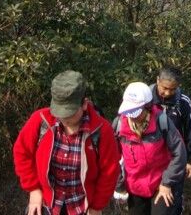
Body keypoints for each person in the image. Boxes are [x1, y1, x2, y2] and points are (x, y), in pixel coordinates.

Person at [13, 70, 121, 215]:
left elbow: (109, 172)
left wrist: (97, 206)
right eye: (60, 112)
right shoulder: (40, 121)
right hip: (47, 205)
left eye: (70, 112)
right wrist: (34, 189)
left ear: (84, 104)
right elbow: (22, 153)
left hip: (83, 207)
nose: (64, 118)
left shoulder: (101, 130)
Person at [115, 81, 187, 215]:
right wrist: (119, 184)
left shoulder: (162, 121)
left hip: (160, 185)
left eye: (136, 112)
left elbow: (179, 153)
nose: (131, 116)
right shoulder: (119, 124)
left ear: (148, 107)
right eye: (129, 111)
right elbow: (111, 157)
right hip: (135, 187)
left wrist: (167, 183)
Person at [150, 66, 191, 215]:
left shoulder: (183, 102)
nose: (167, 93)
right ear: (157, 80)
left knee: (172, 200)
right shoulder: (146, 99)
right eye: (164, 88)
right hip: (151, 160)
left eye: (172, 89)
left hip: (175, 160)